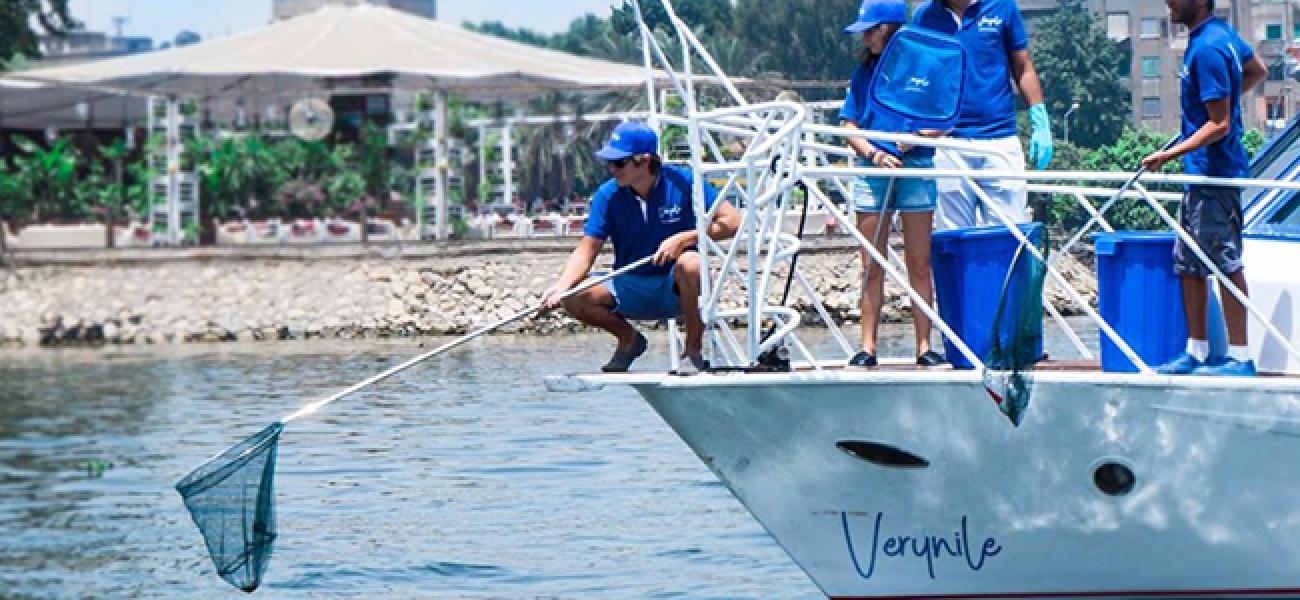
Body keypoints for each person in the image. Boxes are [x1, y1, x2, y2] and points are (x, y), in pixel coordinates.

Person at [540, 121, 741, 373]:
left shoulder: (684, 181)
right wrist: (561, 287)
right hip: (630, 285)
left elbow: (733, 222)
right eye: (609, 163)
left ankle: (692, 352)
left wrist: (685, 239)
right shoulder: (607, 195)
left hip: (674, 287)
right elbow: (586, 250)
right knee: (571, 296)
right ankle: (629, 341)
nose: (612, 169)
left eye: (619, 163)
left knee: (692, 263)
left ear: (644, 161)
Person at [1142, 0, 1266, 377]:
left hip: (1214, 174)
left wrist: (1168, 154)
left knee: (1224, 262)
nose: (1168, 2)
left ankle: (1241, 357)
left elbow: (1220, 124)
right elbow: (1257, 70)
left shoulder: (1208, 49)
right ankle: (1195, 352)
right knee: (1189, 262)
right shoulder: (1220, 37)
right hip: (1199, 174)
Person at [839, 0, 946, 368]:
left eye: (870, 29)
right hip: (873, 171)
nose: (866, 37)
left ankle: (924, 346)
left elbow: (944, 121)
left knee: (919, 261)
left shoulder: (925, 67)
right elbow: (849, 126)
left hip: (916, 167)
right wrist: (873, 153)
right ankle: (867, 347)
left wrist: (918, 137)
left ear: (888, 28)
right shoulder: (862, 73)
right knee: (871, 263)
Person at [913, 0, 1052, 230]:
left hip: (999, 139)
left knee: (1008, 235)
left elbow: (1023, 66)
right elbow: (917, 77)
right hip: (948, 142)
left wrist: (1040, 118)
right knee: (954, 238)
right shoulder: (925, 17)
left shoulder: (1003, 6)